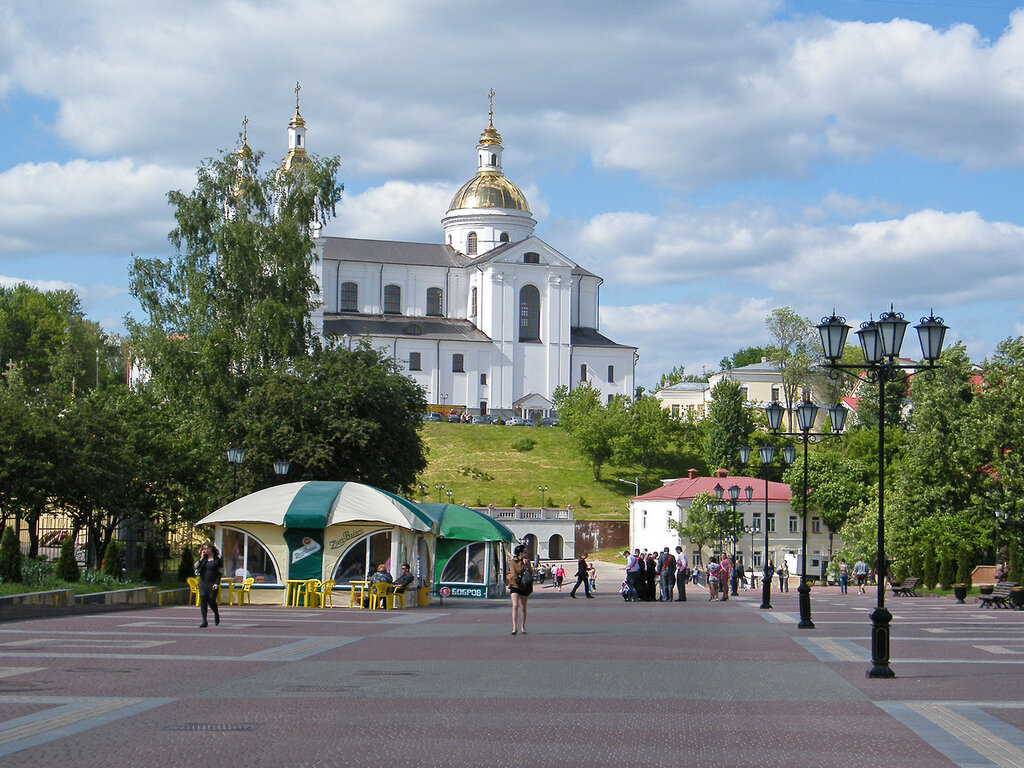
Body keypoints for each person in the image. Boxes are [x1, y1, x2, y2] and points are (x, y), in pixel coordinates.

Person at [194, 541, 223, 628]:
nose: (206, 550)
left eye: (207, 548)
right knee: (203, 599)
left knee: (211, 601)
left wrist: (217, 583)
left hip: (212, 583)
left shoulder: (217, 559)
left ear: (211, 549)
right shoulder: (203, 559)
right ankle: (204, 620)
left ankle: (216, 613)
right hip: (203, 582)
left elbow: (220, 573)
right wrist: (201, 558)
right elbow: (195, 567)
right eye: (204, 549)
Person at [508, 544, 533, 635]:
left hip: (524, 585)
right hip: (515, 584)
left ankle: (523, 626)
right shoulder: (513, 561)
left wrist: (526, 565)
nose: (526, 553)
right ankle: (514, 627)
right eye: (525, 552)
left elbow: (530, 573)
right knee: (515, 605)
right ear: (520, 553)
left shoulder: (527, 561)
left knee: (523, 607)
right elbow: (513, 574)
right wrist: (519, 574)